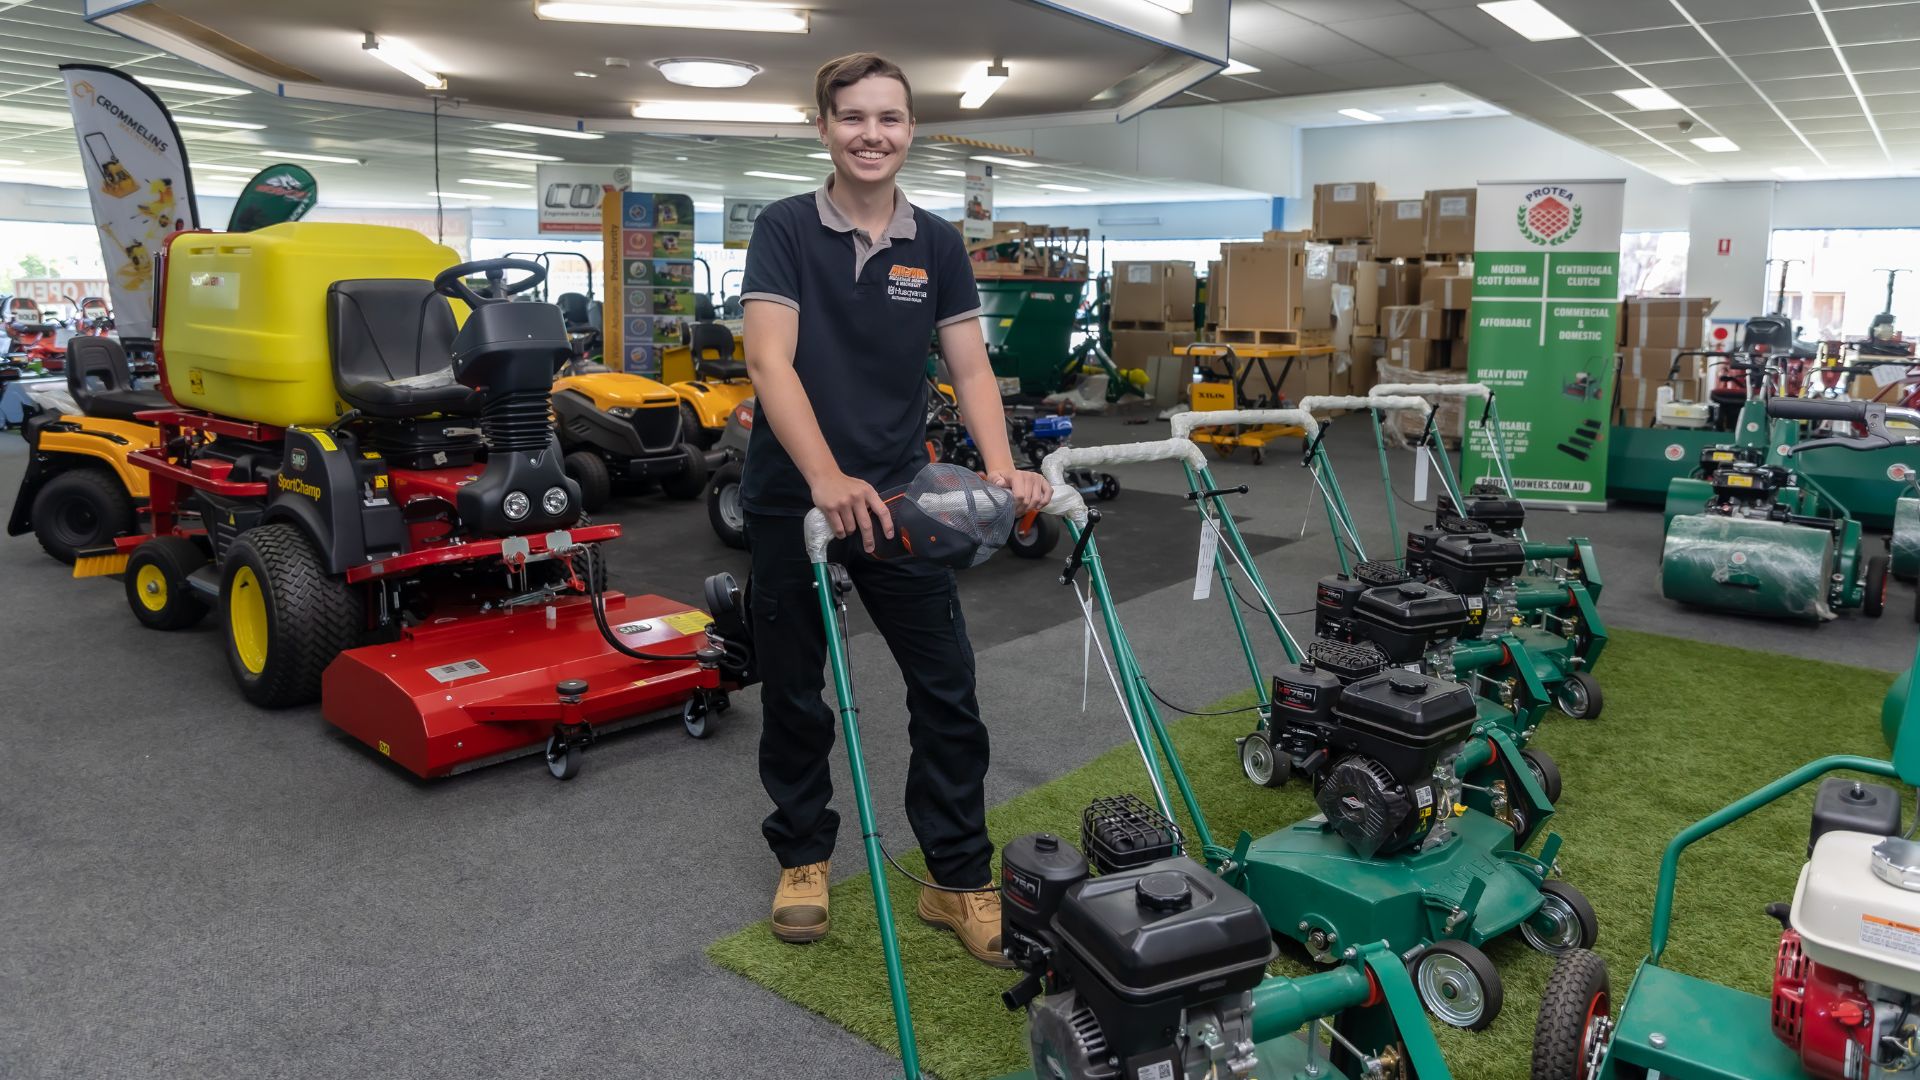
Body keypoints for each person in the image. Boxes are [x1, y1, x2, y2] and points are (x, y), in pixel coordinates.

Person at [739, 52, 1051, 968]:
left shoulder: (939, 242)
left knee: (947, 688)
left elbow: (969, 366)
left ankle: (956, 879)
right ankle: (803, 857)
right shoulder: (788, 228)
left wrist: (1002, 469)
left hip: (902, 498)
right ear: (824, 126)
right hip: (793, 500)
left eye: (890, 118)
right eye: (853, 117)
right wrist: (828, 477)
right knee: (796, 688)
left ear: (911, 130)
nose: (872, 133)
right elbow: (770, 363)